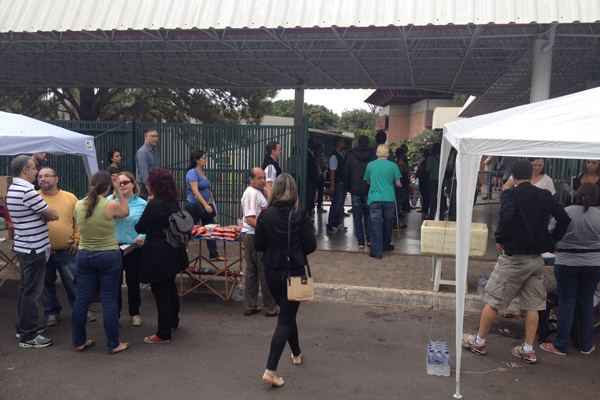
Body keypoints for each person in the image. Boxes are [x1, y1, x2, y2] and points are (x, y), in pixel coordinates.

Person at [463, 160, 571, 364]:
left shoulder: (510, 194)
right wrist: (551, 240)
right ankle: (528, 348)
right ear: (531, 174)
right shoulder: (544, 195)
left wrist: (501, 240)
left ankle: (479, 341)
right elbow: (564, 219)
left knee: (493, 299)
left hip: (513, 259)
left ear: (513, 176)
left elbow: (506, 219)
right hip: (536, 259)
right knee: (533, 304)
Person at [255, 173, 317, 387]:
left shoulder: (265, 215)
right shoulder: (300, 215)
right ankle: (270, 369)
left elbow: (259, 245)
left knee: (288, 313)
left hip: (272, 271)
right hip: (295, 271)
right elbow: (311, 245)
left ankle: (297, 353)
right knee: (286, 318)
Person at [73, 170, 129, 354]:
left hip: (84, 254)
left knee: (82, 299)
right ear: (107, 187)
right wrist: (118, 190)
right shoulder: (110, 205)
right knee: (109, 299)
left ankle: (79, 341)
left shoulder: (79, 204)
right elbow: (126, 211)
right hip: (108, 255)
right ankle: (113, 343)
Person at [540, 184, 600, 356]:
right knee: (587, 303)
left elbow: (551, 231)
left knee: (567, 302)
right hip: (594, 264)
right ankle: (586, 345)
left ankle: (561, 345)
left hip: (567, 262)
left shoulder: (566, 211)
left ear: (577, 194)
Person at [7, 155, 58, 349]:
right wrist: (47, 215)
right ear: (25, 170)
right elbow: (52, 214)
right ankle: (29, 335)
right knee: (32, 292)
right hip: (33, 247)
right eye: (34, 168)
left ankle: (23, 328)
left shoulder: (14, 187)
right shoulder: (27, 191)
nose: (37, 172)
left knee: (25, 290)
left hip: (24, 245)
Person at [136, 168, 188, 344]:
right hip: (174, 250)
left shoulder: (155, 204)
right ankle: (173, 321)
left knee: (161, 292)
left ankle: (163, 332)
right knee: (170, 286)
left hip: (157, 252)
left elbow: (140, 227)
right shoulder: (173, 202)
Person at [38, 167, 80, 327]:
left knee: (73, 281)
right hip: (43, 250)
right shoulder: (34, 198)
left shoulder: (70, 198)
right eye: (40, 176)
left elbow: (79, 221)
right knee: (45, 283)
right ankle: (51, 312)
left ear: (57, 179)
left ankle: (80, 309)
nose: (43, 179)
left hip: (67, 250)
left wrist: (77, 239)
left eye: (47, 176)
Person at [108, 171, 147, 327]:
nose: (122, 185)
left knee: (133, 281)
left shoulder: (142, 203)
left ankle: (135, 313)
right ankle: (115, 314)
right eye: (119, 182)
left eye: (126, 182)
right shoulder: (108, 201)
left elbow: (147, 225)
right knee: (113, 283)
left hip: (133, 247)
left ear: (133, 184)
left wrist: (143, 237)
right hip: (113, 246)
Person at [241, 168, 277, 317]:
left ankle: (252, 305)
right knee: (262, 271)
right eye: (260, 178)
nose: (263, 181)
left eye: (264, 178)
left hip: (254, 235)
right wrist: (266, 232)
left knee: (253, 271)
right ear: (251, 179)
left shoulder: (257, 193)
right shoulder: (251, 194)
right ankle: (269, 307)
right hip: (255, 236)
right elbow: (250, 218)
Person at [364, 145, 402, 259]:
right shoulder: (393, 166)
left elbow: (367, 181)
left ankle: (377, 251)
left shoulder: (370, 165)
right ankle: (386, 245)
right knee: (388, 224)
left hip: (374, 198)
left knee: (376, 225)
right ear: (388, 154)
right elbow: (398, 183)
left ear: (377, 153)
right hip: (389, 198)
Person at [185, 150, 222, 261]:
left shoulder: (202, 171)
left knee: (210, 228)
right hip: (194, 206)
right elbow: (195, 191)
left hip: (205, 205)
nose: (205, 159)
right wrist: (205, 205)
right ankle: (181, 251)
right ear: (197, 160)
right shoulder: (192, 172)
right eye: (203, 158)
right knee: (189, 230)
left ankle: (214, 254)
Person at [344, 135, 375, 248]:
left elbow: (346, 172)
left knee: (357, 217)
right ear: (367, 143)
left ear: (358, 143)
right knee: (368, 215)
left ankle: (361, 241)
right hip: (368, 189)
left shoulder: (351, 155)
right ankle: (370, 240)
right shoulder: (373, 155)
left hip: (355, 189)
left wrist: (347, 187)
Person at [326, 139, 347, 233]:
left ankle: (338, 223)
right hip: (338, 183)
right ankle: (331, 224)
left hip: (341, 183)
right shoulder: (334, 156)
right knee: (336, 204)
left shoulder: (340, 155)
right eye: (342, 142)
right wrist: (332, 185)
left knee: (340, 204)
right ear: (338, 144)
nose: (344, 143)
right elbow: (332, 172)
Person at [135, 128, 160, 198]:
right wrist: (150, 192)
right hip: (145, 189)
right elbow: (144, 175)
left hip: (154, 185)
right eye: (152, 136)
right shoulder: (142, 152)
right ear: (145, 136)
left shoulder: (154, 150)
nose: (155, 138)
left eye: (156, 136)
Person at [394, 146, 410, 229]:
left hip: (399, 182)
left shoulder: (395, 161)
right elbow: (404, 172)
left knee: (399, 199)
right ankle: (397, 217)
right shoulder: (400, 162)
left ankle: (399, 212)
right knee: (399, 199)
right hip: (401, 182)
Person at [305, 138, 321, 217]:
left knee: (311, 197)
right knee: (309, 197)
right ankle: (308, 213)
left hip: (312, 180)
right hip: (310, 180)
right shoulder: (308, 154)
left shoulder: (311, 154)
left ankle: (309, 211)